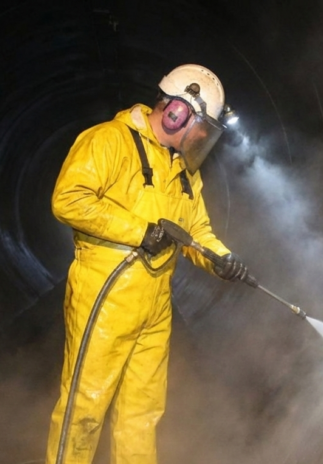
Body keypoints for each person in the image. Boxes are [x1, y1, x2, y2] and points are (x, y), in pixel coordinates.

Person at [46, 64, 247, 464]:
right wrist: (140, 231)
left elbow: (196, 230)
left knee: (142, 414)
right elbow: (68, 198)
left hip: (155, 306)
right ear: (177, 112)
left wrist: (220, 258)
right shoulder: (108, 141)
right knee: (85, 408)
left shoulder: (183, 171)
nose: (203, 137)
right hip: (104, 297)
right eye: (201, 126)